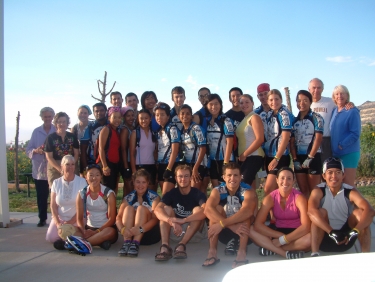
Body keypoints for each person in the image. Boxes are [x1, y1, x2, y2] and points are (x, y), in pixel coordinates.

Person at [308, 158, 375, 256]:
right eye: (330, 172)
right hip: (324, 238)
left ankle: (366, 257)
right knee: (320, 212)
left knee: (360, 213)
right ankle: (315, 254)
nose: (334, 176)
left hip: (347, 238)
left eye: (338, 172)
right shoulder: (319, 190)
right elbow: (311, 212)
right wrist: (331, 232)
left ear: (343, 175)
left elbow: (370, 211)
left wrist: (355, 231)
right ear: (324, 176)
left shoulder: (350, 191)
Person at [244, 167, 310, 259]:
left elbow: (306, 227)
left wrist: (284, 240)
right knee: (250, 229)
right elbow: (258, 225)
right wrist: (281, 237)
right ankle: (285, 251)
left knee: (310, 239)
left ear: (294, 181)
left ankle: (271, 248)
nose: (285, 181)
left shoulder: (299, 198)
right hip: (277, 231)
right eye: (282, 178)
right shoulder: (270, 198)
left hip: (296, 232)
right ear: (277, 180)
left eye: (289, 178)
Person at [203, 163, 257, 268]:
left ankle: (241, 253)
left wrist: (223, 223)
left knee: (244, 214)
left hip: (244, 231)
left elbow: (248, 212)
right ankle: (212, 252)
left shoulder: (248, 191)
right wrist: (231, 226)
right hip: (225, 231)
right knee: (216, 209)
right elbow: (207, 210)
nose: (232, 178)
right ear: (223, 177)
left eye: (236, 175)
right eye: (229, 175)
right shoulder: (217, 191)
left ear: (241, 177)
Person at [154, 165, 207, 261]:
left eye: (186, 176)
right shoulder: (172, 193)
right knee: (165, 209)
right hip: (175, 231)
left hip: (194, 233)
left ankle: (182, 245)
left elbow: (205, 211)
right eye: (180, 176)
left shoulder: (197, 193)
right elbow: (157, 209)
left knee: (198, 210)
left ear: (191, 178)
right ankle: (165, 246)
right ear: (176, 178)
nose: (183, 179)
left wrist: (184, 220)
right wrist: (170, 220)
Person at [116, 169, 161, 257]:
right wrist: (122, 229)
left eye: (143, 182)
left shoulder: (154, 197)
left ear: (148, 183)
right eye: (138, 182)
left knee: (141, 209)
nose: (140, 185)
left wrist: (140, 229)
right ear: (133, 182)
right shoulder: (128, 197)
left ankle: (135, 244)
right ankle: (127, 242)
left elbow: (155, 219)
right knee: (128, 208)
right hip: (131, 233)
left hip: (148, 233)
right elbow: (118, 217)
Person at [309, 78, 353, 166]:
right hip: (310, 140)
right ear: (309, 89)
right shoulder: (305, 103)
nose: (316, 90)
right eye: (314, 88)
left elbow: (342, 104)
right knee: (312, 168)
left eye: (319, 88)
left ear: (322, 89)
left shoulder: (330, 102)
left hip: (326, 140)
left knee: (327, 167)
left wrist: (350, 103)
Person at [46, 155, 87, 249]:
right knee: (51, 238)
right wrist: (57, 223)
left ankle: (67, 241)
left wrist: (71, 222)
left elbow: (83, 206)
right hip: (61, 218)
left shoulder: (82, 182)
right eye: (67, 164)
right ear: (62, 166)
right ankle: (69, 241)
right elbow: (53, 205)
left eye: (72, 164)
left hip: (77, 218)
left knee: (74, 235)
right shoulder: (56, 183)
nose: (70, 167)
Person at [26, 107, 56, 227]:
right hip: (40, 169)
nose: (47, 118)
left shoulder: (56, 130)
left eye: (49, 116)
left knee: (55, 195)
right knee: (41, 196)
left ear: (53, 117)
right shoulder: (36, 131)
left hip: (54, 168)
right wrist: (36, 150)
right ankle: (42, 218)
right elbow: (28, 149)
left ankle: (56, 218)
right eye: (45, 116)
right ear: (42, 117)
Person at [76, 164, 118, 250]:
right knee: (70, 231)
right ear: (85, 177)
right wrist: (83, 231)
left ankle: (83, 244)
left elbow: (112, 219)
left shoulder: (108, 194)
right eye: (91, 175)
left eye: (97, 175)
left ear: (101, 177)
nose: (94, 178)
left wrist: (96, 232)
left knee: (110, 232)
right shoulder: (82, 194)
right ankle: (98, 242)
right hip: (89, 228)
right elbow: (79, 218)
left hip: (105, 229)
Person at [291, 90, 324, 197]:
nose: (302, 103)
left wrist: (310, 157)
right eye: (299, 100)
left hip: (313, 157)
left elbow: (318, 139)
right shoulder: (293, 121)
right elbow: (291, 142)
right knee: (303, 192)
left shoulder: (316, 117)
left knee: (314, 192)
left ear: (310, 102)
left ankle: (317, 212)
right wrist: (295, 159)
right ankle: (305, 214)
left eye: (305, 100)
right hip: (299, 159)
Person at [263, 89, 295, 197]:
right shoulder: (269, 114)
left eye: (276, 99)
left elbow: (286, 138)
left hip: (279, 157)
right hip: (268, 156)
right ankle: (274, 214)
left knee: (268, 189)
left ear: (281, 100)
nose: (274, 102)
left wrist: (277, 158)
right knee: (275, 191)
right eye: (271, 100)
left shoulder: (284, 114)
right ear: (267, 101)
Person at [330, 85, 361, 187]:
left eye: (342, 93)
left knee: (348, 186)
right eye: (337, 94)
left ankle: (360, 203)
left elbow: (355, 133)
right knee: (339, 185)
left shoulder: (352, 111)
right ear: (334, 97)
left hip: (348, 153)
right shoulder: (334, 111)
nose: (340, 96)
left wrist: (342, 145)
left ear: (347, 96)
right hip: (336, 154)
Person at [206, 94, 235, 187]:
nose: (213, 107)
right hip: (213, 160)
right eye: (211, 104)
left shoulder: (226, 120)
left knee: (227, 188)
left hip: (226, 160)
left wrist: (226, 163)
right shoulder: (207, 121)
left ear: (221, 105)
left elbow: (230, 141)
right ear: (207, 106)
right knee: (216, 188)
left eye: (216, 104)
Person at [236, 94, 265, 188]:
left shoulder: (254, 117)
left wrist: (245, 154)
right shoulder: (245, 119)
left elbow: (260, 139)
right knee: (250, 189)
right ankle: (254, 203)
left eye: (247, 102)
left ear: (252, 103)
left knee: (243, 186)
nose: (244, 105)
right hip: (245, 158)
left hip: (254, 156)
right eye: (241, 103)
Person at [44, 112, 79, 187]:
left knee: (73, 190)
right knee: (56, 191)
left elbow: (76, 153)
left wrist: (71, 166)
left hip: (71, 165)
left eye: (64, 122)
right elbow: (49, 156)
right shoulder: (50, 138)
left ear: (67, 123)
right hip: (55, 166)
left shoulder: (72, 136)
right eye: (59, 122)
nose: (62, 124)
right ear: (56, 123)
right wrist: (60, 169)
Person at [179, 104, 208, 192]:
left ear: (192, 116)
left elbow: (203, 148)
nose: (185, 116)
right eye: (182, 113)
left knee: (194, 192)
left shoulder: (196, 128)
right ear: (178, 116)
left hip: (198, 164)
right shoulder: (182, 130)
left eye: (188, 114)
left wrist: (195, 168)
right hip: (188, 164)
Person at [154, 102, 181, 195]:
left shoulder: (172, 129)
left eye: (162, 114)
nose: (159, 117)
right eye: (157, 115)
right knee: (166, 195)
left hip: (171, 165)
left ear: (168, 116)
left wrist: (169, 168)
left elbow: (175, 150)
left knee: (166, 195)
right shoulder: (158, 130)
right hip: (161, 165)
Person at [129, 108, 158, 191]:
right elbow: (132, 153)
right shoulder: (135, 133)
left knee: (152, 193)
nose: (144, 120)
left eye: (146, 118)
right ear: (138, 119)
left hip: (152, 167)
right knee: (140, 192)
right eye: (141, 118)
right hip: (139, 167)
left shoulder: (153, 133)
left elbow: (155, 152)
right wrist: (134, 171)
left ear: (150, 118)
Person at [97, 106, 122, 194]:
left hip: (114, 165)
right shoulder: (106, 129)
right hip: (107, 164)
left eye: (119, 117)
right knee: (106, 191)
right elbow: (101, 148)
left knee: (113, 190)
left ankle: (112, 208)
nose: (117, 120)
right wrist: (104, 166)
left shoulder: (116, 131)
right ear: (109, 117)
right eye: (114, 117)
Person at [80, 103, 108, 172]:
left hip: (110, 162)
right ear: (93, 113)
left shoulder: (111, 126)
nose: (99, 113)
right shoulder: (89, 127)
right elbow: (83, 149)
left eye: (102, 110)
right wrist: (85, 169)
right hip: (93, 162)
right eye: (96, 111)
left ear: (105, 111)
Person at [71, 105, 92, 175]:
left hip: (90, 157)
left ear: (88, 114)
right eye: (81, 113)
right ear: (77, 113)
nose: (83, 115)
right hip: (77, 157)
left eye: (85, 113)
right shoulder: (74, 128)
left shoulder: (92, 126)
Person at [120, 106, 135, 196]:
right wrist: (126, 167)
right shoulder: (125, 129)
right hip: (127, 162)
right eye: (128, 116)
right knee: (129, 189)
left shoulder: (132, 128)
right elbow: (123, 149)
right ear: (124, 117)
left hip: (131, 160)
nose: (131, 118)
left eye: (132, 115)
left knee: (129, 189)